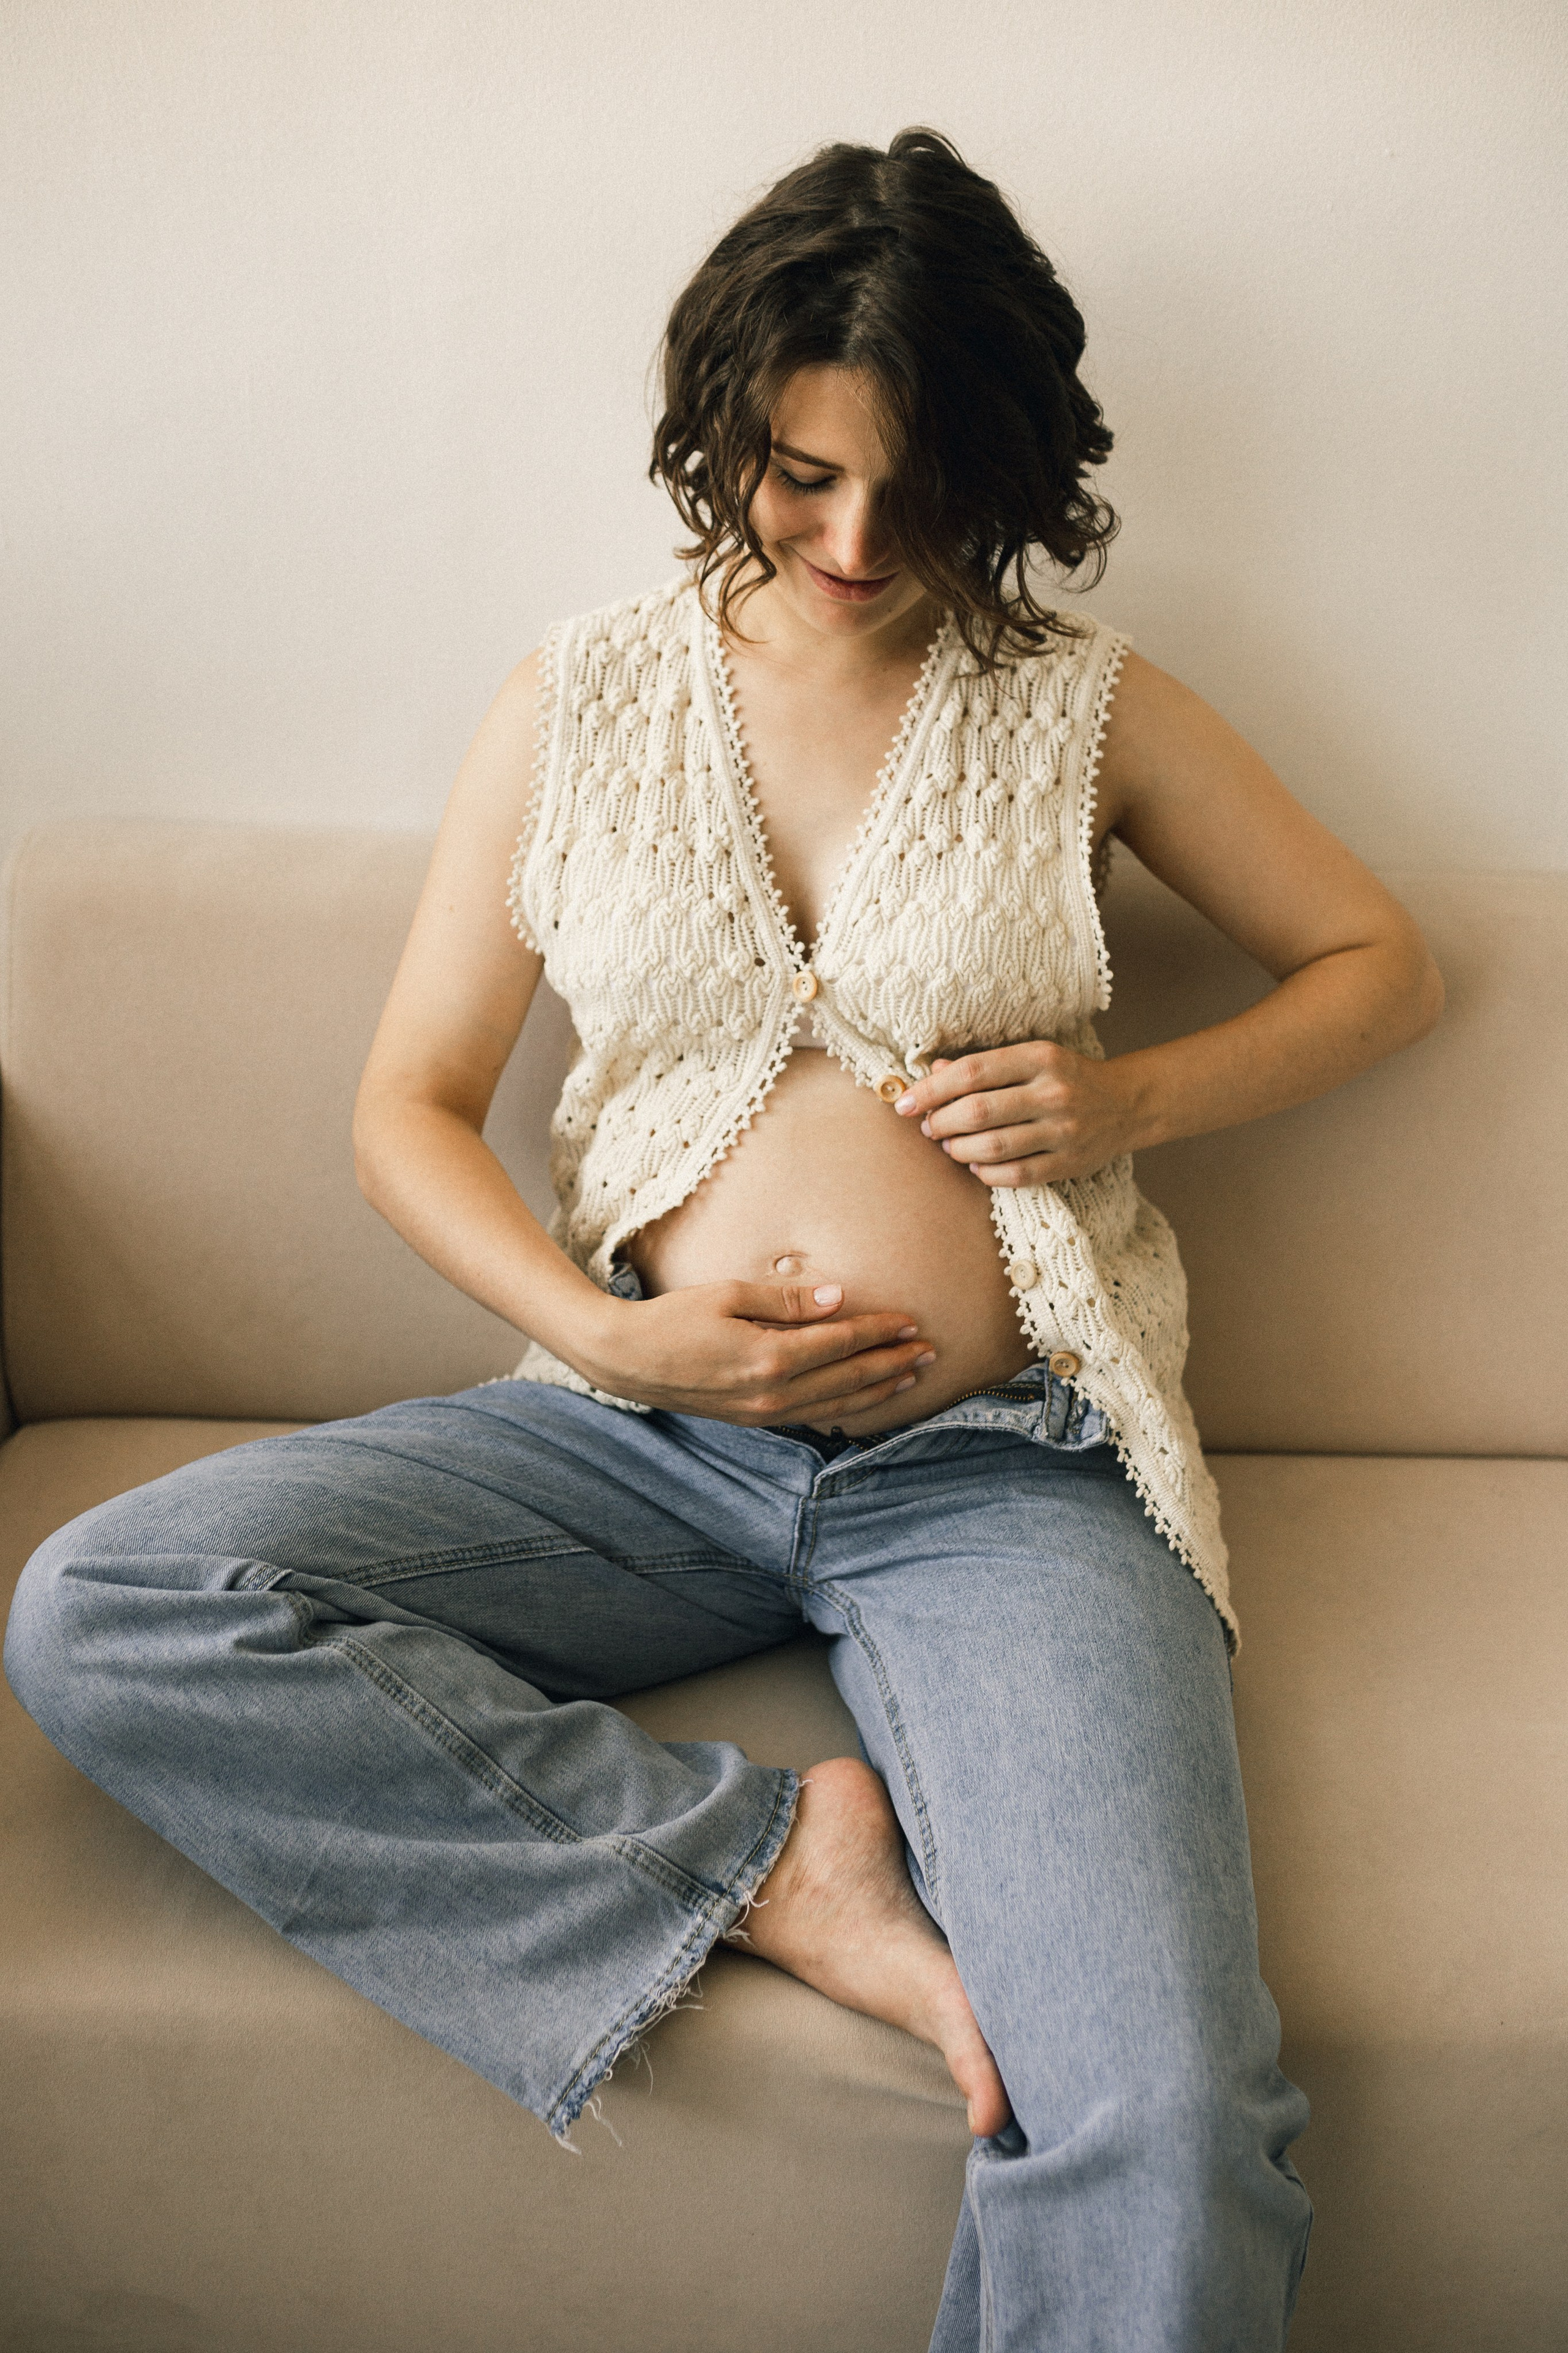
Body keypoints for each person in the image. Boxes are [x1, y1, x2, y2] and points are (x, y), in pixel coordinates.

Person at [5, 129, 1442, 2349]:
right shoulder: (572, 700)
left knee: (1165, 2098)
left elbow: (1376, 957)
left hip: (1004, 1466)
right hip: (636, 1439)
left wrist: (1132, 1093)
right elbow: (404, 1109)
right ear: (722, 428)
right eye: (800, 474)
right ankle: (776, 1868)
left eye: (919, 486)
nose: (859, 541)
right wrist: (620, 1337)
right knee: (105, 1603)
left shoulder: (1082, 704)